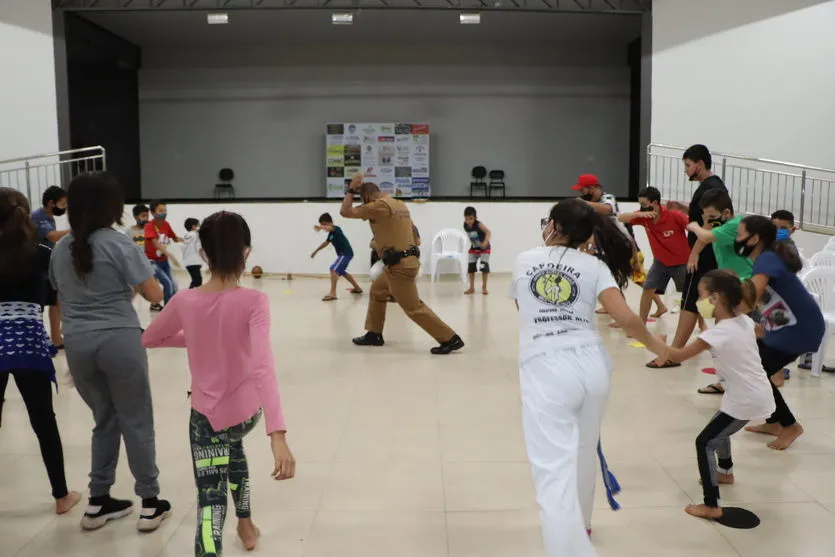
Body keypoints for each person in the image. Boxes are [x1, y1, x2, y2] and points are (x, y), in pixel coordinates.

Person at [510, 199, 668, 557]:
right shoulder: (595, 265)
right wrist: (657, 346)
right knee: (584, 452)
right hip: (593, 365)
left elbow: (524, 308)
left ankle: (569, 549)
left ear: (553, 226)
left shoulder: (525, 259)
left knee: (552, 472)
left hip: (546, 367)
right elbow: (627, 318)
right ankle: (582, 523)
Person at [142, 211, 295, 556]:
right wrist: (277, 434)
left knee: (210, 504)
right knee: (234, 446)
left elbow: (150, 338)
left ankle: (229, 534)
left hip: (207, 420)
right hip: (247, 414)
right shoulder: (255, 301)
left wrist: (197, 336)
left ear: (203, 255)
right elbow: (262, 365)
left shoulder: (184, 300)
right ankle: (245, 525)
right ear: (246, 253)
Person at [49, 173, 172, 532]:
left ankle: (98, 501)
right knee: (136, 419)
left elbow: (63, 295)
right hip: (118, 340)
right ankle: (150, 503)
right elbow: (155, 294)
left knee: (104, 420)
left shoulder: (60, 248)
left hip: (77, 344)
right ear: (111, 207)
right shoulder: (120, 244)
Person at [663, 270, 775, 520]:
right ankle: (725, 471)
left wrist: (653, 340)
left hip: (746, 397)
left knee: (704, 442)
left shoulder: (719, 332)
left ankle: (711, 504)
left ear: (715, 298)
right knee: (719, 427)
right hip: (750, 393)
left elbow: (678, 356)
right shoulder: (742, 321)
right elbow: (758, 332)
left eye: (701, 295)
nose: (697, 300)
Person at [0, 187, 81, 514]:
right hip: (29, 343)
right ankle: (61, 496)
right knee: (43, 420)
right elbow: (54, 302)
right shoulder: (42, 253)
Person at [340, 173, 464, 354]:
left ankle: (450, 339)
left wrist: (351, 189)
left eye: (363, 200)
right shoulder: (400, 205)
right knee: (378, 290)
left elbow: (345, 211)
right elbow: (415, 235)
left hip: (399, 267)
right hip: (407, 260)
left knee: (413, 307)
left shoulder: (379, 206)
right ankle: (374, 333)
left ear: (366, 197)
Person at [736, 215, 824, 450]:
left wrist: (728, 309)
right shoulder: (766, 258)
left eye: (740, 235)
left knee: (755, 372)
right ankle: (774, 421)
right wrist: (761, 329)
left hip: (800, 329)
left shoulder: (766, 259)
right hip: (790, 325)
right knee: (753, 365)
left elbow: (753, 295)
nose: (737, 239)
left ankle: (790, 425)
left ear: (754, 238)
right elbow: (772, 302)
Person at [656, 144, 727, 368]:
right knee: (701, 303)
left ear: (700, 164)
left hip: (705, 256)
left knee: (690, 302)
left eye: (688, 165)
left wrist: (694, 253)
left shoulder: (711, 187)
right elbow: (704, 215)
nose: (686, 170)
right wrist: (682, 208)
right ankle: (680, 352)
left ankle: (674, 353)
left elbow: (711, 225)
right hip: (706, 254)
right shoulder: (709, 187)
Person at [619, 186, 689, 325]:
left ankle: (702, 323)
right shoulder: (644, 217)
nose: (642, 207)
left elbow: (693, 227)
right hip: (660, 263)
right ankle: (641, 325)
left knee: (688, 296)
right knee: (647, 289)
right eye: (640, 204)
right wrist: (638, 214)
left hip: (682, 263)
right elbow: (621, 218)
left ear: (655, 203)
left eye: (644, 204)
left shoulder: (674, 215)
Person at [685, 189, 754, 280]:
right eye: (706, 217)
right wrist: (695, 253)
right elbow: (706, 234)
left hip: (744, 279)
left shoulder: (736, 225)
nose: (709, 221)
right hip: (730, 279)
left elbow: (706, 237)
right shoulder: (720, 225)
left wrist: (695, 226)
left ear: (726, 213)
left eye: (712, 217)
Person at [31, 185, 69, 348]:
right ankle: (38, 339)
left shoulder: (49, 216)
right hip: (37, 266)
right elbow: (51, 236)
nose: (64, 207)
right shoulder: (38, 217)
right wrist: (72, 231)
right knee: (38, 305)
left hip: (49, 264)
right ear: (51, 203)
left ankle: (56, 338)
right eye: (62, 204)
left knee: (56, 301)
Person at [311, 212, 363, 301]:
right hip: (346, 254)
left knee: (333, 269)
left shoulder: (336, 229)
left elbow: (331, 228)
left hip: (345, 253)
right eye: (322, 225)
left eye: (324, 224)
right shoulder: (331, 234)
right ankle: (357, 288)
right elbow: (325, 243)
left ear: (330, 222)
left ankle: (333, 294)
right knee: (341, 271)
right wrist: (316, 251)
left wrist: (320, 227)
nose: (324, 227)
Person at [144, 200, 182, 311]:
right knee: (167, 283)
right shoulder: (149, 226)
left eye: (165, 210)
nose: (164, 213)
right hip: (152, 262)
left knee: (174, 285)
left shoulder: (166, 225)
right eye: (161, 210)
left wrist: (185, 240)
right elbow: (155, 243)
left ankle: (171, 308)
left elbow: (174, 237)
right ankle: (167, 311)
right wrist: (170, 255)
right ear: (152, 212)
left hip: (164, 262)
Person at [463, 206, 492, 295]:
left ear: (475, 217)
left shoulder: (478, 224)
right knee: (471, 267)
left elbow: (488, 232)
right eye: (467, 219)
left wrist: (485, 242)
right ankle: (471, 287)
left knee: (484, 267)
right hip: (474, 248)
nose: (469, 221)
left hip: (484, 248)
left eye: (471, 219)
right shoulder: (465, 225)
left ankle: (484, 287)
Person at [183, 218, 203, 289]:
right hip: (193, 262)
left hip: (189, 262)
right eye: (198, 225)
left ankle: (191, 294)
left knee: (196, 280)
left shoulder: (187, 235)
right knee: (198, 281)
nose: (199, 226)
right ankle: (189, 294)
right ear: (193, 226)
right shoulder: (194, 235)